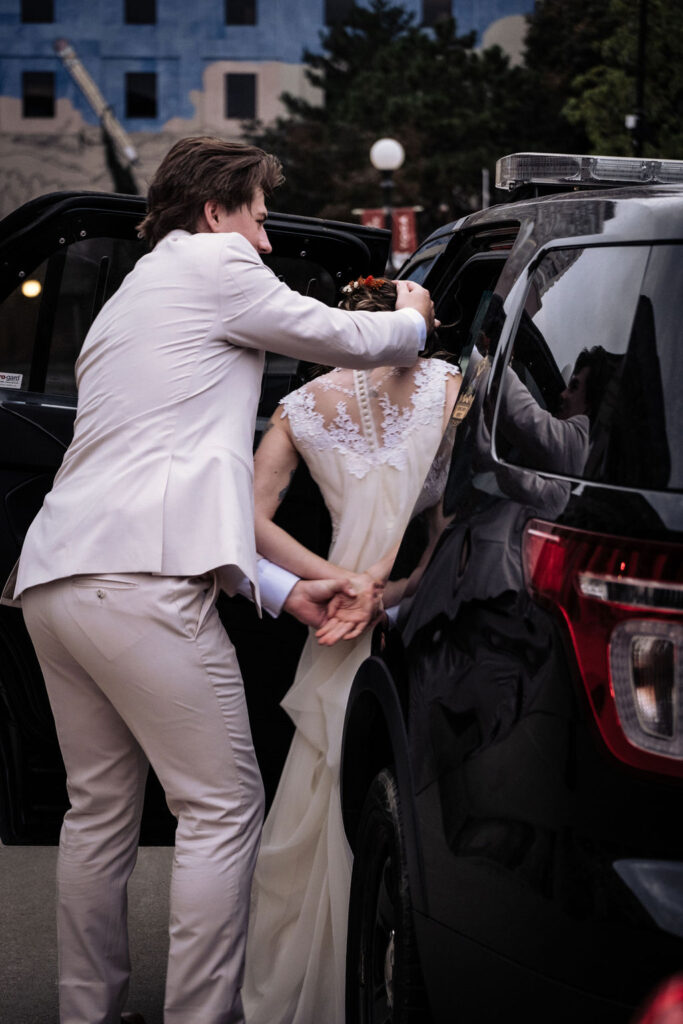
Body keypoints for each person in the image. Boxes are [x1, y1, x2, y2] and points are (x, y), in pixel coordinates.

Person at [5, 138, 436, 1024]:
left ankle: (88, 1013)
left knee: (97, 812)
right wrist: (415, 313)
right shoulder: (213, 263)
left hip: (55, 580)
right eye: (261, 220)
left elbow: (178, 471)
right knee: (222, 807)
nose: (268, 243)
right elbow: (346, 337)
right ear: (215, 213)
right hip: (141, 586)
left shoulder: (131, 296)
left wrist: (284, 592)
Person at [242, 276, 461, 1024]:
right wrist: (376, 588)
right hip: (410, 610)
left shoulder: (301, 407)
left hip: (335, 621)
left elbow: (246, 516)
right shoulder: (453, 388)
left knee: (316, 802)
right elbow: (449, 529)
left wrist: (331, 578)